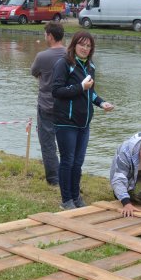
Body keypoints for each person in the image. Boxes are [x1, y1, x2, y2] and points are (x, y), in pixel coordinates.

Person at [51, 31, 114, 210]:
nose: (85, 48)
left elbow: (90, 92)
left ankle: (76, 196)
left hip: (84, 123)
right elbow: (56, 91)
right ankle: (66, 200)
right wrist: (80, 87)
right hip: (66, 122)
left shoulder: (90, 66)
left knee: (78, 162)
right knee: (67, 161)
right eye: (82, 44)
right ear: (74, 44)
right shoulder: (64, 64)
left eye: (89, 46)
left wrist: (102, 103)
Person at [30, 22, 66, 186]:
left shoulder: (42, 57)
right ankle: (68, 175)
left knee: (48, 143)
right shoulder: (69, 55)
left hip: (46, 105)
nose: (44, 37)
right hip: (66, 105)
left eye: (45, 34)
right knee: (66, 143)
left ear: (50, 36)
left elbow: (34, 72)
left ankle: (54, 179)